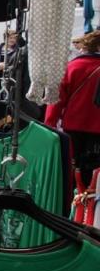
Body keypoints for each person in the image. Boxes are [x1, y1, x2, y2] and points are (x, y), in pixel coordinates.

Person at [45, 30, 100, 182]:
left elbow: (56, 99)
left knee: (73, 167)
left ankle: (74, 200)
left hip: (73, 125)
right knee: (95, 171)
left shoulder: (72, 66)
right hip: (98, 128)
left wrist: (49, 124)